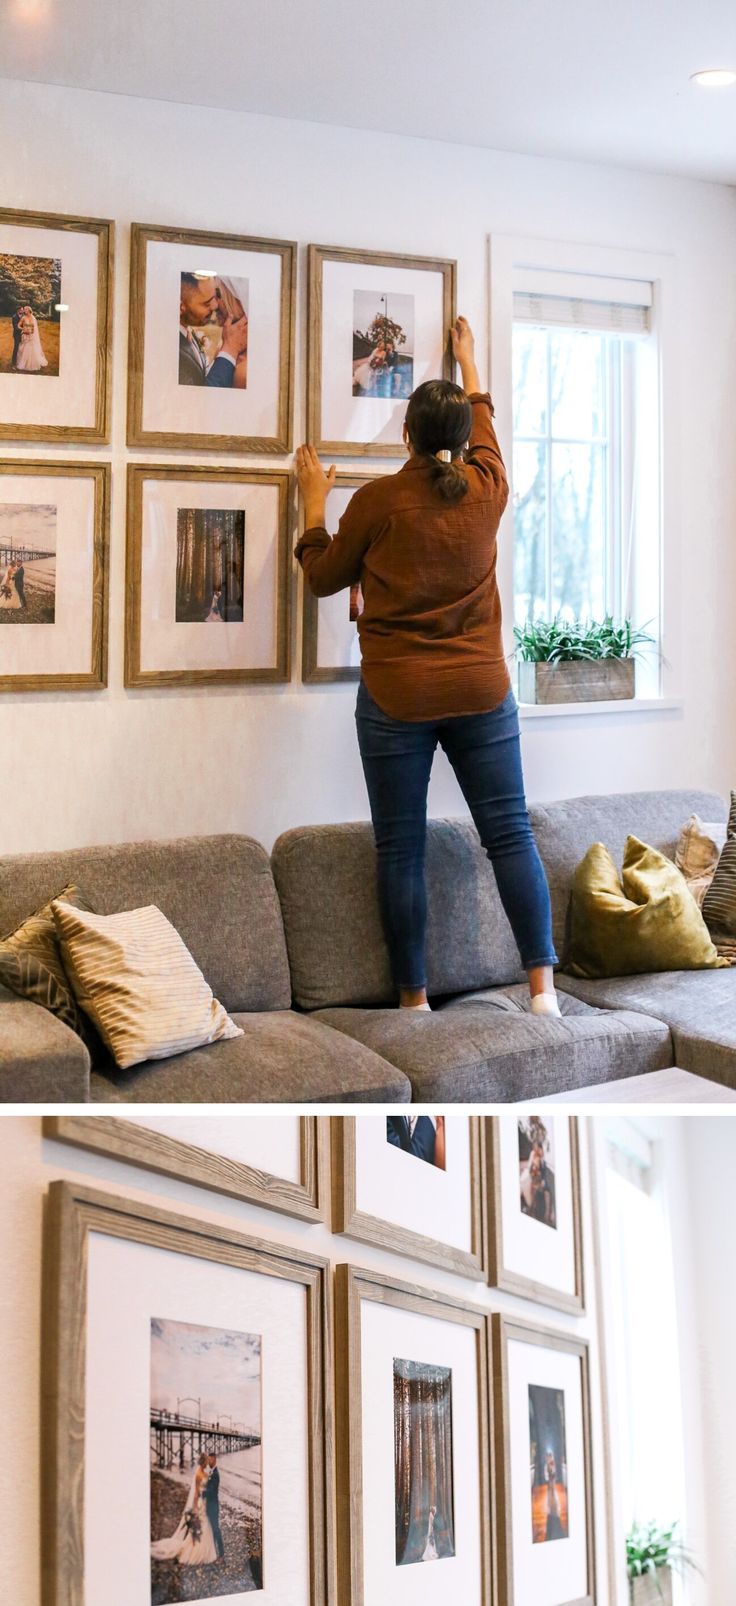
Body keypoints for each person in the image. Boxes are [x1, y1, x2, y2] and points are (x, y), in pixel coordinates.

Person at [296, 316, 560, 1015]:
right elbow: (483, 418)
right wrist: (468, 359)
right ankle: (543, 993)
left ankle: (414, 1004)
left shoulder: (378, 502)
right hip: (481, 689)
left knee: (400, 850)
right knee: (510, 837)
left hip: (397, 698)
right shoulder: (487, 486)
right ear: (461, 442)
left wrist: (313, 506)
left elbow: (323, 577)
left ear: (407, 437)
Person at [150, 1451, 219, 1566]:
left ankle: (207, 1552)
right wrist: (195, 1508)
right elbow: (196, 1494)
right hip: (201, 1504)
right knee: (203, 1526)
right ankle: (197, 1552)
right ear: (203, 1462)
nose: (208, 1462)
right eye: (206, 1460)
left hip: (207, 1502)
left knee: (208, 1526)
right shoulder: (198, 1475)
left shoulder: (207, 1472)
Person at [179, 273, 247, 387]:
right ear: (181, 307)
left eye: (217, 295)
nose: (215, 305)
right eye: (206, 303)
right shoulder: (171, 348)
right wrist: (229, 350)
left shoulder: (244, 370)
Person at [205, 1452, 225, 1563]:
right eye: (208, 1460)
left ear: (215, 1460)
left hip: (213, 1505)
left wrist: (202, 1492)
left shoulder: (216, 1474)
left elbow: (212, 1491)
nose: (209, 1462)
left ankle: (221, 1555)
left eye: (210, 1460)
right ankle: (212, 1554)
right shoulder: (211, 1472)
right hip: (210, 1505)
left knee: (216, 1529)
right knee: (211, 1530)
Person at [15, 307, 49, 374]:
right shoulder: (23, 317)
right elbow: (18, 325)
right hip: (25, 335)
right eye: (24, 309)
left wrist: (31, 332)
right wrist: (23, 329)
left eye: (26, 309)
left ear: (29, 310)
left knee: (32, 348)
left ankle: (33, 362)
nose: (24, 310)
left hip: (32, 336)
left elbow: (34, 328)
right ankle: (24, 362)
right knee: (24, 348)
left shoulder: (33, 318)